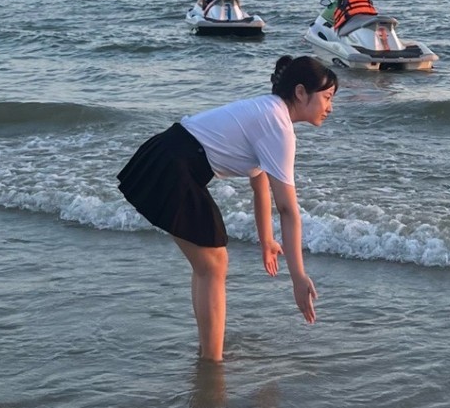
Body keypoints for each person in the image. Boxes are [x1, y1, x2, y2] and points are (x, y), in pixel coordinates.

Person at [117, 55, 337, 361]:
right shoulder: (278, 125)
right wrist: (298, 277)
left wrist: (267, 241)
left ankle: (208, 352)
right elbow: (288, 210)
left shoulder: (268, 111)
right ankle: (212, 361)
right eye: (327, 97)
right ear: (301, 92)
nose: (330, 107)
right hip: (175, 166)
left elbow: (259, 184)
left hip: (167, 154)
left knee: (209, 264)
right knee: (214, 263)